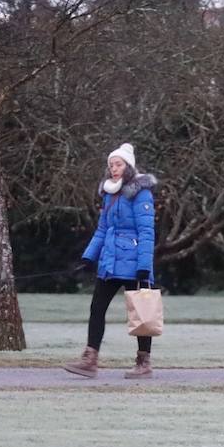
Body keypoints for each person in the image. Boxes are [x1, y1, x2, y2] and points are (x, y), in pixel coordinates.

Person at [63, 142, 158, 379]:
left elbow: (147, 232)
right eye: (111, 165)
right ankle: (90, 359)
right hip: (110, 262)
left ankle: (143, 361)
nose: (114, 168)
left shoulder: (141, 193)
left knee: (140, 314)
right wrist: (88, 257)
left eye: (118, 164)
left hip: (135, 263)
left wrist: (144, 267)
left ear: (128, 166)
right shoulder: (109, 194)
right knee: (97, 308)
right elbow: (103, 230)